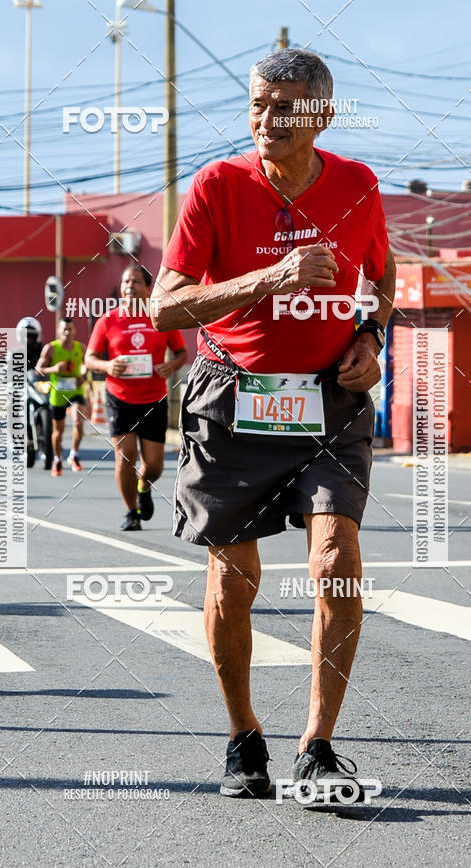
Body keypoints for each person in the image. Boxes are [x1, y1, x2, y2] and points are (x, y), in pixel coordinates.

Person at [151, 48, 395, 799]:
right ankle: (243, 736)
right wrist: (274, 276)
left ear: (321, 115)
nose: (267, 119)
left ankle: (317, 744)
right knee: (234, 578)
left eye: (285, 106)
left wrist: (371, 338)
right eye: (258, 103)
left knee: (337, 558)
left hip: (328, 401)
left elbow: (380, 281)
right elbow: (165, 306)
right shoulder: (217, 186)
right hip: (233, 401)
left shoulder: (358, 186)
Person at [85, 264, 187, 531]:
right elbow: (90, 358)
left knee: (153, 465)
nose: (129, 286)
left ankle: (144, 485)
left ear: (147, 287)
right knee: (125, 456)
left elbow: (181, 353)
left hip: (154, 398)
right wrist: (108, 366)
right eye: (125, 282)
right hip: (119, 398)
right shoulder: (108, 320)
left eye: (135, 282)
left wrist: (171, 367)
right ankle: (131, 512)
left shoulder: (159, 318)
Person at [37, 317, 86, 476]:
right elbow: (39, 369)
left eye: (70, 329)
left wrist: (83, 376)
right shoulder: (51, 348)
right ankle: (58, 459)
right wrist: (54, 369)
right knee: (58, 430)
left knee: (78, 422)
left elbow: (87, 365)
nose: (67, 332)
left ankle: (74, 454)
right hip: (58, 394)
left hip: (76, 391)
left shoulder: (80, 348)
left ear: (75, 331)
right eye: (64, 329)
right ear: (58, 330)